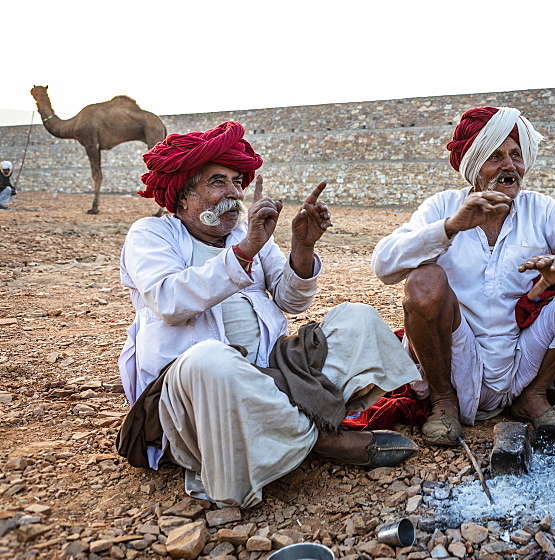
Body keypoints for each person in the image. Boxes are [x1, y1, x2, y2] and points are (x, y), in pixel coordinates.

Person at [118, 121, 422, 508]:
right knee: (210, 361)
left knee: (357, 318)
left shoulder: (244, 234)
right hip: (199, 386)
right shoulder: (151, 234)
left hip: (273, 368)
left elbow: (291, 299)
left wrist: (301, 245)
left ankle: (287, 432)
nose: (232, 193)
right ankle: (323, 438)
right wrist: (245, 250)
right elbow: (170, 301)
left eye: (236, 181)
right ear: (182, 197)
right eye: (218, 182)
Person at [371, 106, 555, 446]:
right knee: (423, 281)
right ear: (473, 166)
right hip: (460, 357)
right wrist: (450, 227)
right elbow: (384, 264)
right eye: (495, 156)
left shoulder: (540, 209)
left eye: (516, 155)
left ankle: (533, 396)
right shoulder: (442, 207)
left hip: (525, 356)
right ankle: (443, 402)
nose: (510, 166)